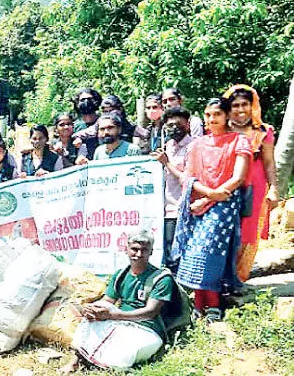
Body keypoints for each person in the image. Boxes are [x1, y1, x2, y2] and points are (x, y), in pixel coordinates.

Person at [172, 98, 251, 320]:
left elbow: (238, 178)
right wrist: (207, 195)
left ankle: (213, 304)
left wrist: (211, 198)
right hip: (198, 203)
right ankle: (199, 304)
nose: (211, 119)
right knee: (195, 252)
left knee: (211, 251)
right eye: (207, 115)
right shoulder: (197, 145)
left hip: (224, 204)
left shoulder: (239, 141)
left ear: (227, 116)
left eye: (216, 114)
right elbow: (188, 179)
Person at [73, 230, 172, 370]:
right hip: (119, 322)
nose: (138, 254)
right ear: (126, 249)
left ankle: (101, 364)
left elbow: (150, 312)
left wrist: (112, 315)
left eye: (144, 250)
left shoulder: (162, 278)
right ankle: (75, 359)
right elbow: (108, 300)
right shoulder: (120, 275)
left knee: (122, 351)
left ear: (151, 252)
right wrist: (90, 310)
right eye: (135, 249)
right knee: (96, 310)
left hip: (147, 329)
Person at [224, 85, 278, 282]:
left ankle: (239, 280)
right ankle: (221, 280)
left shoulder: (263, 131)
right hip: (226, 186)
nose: (240, 109)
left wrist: (274, 189)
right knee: (226, 231)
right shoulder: (220, 128)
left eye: (245, 104)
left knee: (248, 235)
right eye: (235, 105)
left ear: (252, 105)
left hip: (255, 188)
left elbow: (270, 163)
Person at [151, 107, 195, 269]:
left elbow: (187, 179)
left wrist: (166, 163)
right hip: (165, 206)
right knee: (168, 251)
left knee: (180, 252)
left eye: (178, 124)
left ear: (187, 125)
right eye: (169, 125)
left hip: (182, 207)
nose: (173, 129)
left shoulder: (193, 147)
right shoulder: (168, 145)